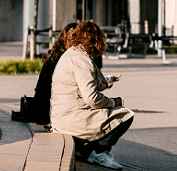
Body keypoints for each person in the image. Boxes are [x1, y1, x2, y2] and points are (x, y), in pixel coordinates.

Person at [50, 20, 134, 170]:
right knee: (125, 114)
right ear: (95, 40)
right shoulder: (81, 59)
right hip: (70, 118)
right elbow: (92, 98)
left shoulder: (74, 54)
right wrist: (113, 102)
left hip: (62, 114)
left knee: (105, 113)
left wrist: (108, 80)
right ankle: (100, 152)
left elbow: (89, 81)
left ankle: (85, 147)